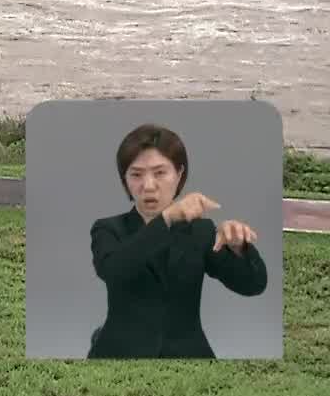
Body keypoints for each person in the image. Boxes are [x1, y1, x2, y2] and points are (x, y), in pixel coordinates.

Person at [86, 123, 267, 358]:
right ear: (125, 180)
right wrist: (168, 218)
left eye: (160, 173)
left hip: (188, 354)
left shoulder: (200, 231)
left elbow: (253, 285)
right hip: (119, 352)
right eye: (136, 174)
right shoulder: (108, 229)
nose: (148, 186)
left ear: (179, 174)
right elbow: (114, 271)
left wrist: (239, 247)